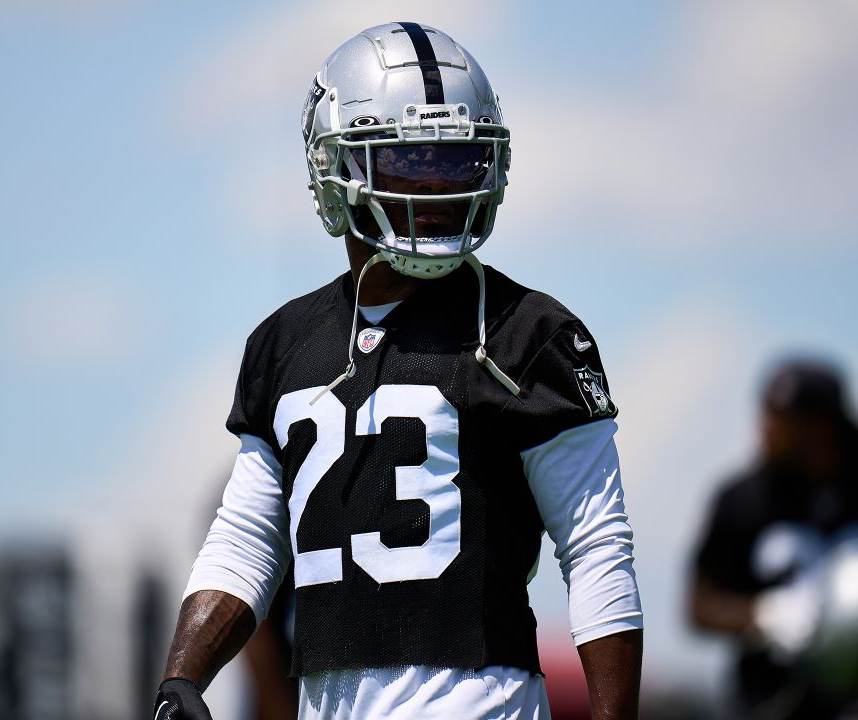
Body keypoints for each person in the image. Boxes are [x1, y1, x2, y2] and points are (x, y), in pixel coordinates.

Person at [153, 22, 644, 720]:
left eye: (455, 161)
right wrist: (183, 678)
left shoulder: (528, 334)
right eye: (410, 160)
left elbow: (596, 547)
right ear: (335, 168)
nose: (436, 188)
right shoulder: (285, 342)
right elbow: (247, 539)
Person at [688, 357, 858, 719]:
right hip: (769, 701)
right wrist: (763, 616)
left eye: (783, 418)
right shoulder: (740, 499)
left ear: (822, 426)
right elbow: (698, 609)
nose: (767, 428)